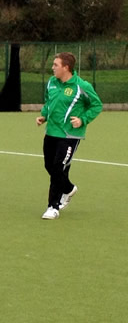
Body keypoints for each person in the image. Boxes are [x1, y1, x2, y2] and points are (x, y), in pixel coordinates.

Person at [36, 52, 102, 220]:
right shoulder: (51, 82)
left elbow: (96, 105)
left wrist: (82, 120)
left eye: (55, 65)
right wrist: (44, 115)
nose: (52, 68)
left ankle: (53, 207)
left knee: (58, 166)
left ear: (66, 67)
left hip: (70, 135)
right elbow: (49, 101)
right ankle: (68, 188)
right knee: (49, 166)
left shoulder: (82, 86)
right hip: (51, 132)